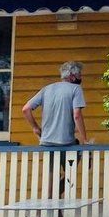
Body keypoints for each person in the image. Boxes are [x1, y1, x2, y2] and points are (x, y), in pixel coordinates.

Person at [22, 61, 89, 204]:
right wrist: (84, 140)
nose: (80, 76)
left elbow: (26, 109)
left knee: (51, 176)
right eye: (79, 74)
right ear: (72, 76)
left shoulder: (47, 89)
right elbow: (76, 115)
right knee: (72, 171)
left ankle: (52, 210)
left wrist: (35, 127)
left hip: (46, 142)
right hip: (66, 142)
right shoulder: (75, 89)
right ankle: (52, 202)